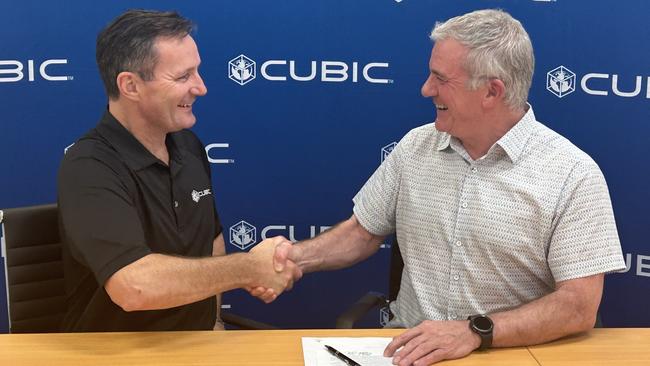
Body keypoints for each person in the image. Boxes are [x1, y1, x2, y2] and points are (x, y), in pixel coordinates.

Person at [260, 8, 626, 366]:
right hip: (406, 353)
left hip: (508, 354)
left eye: (440, 79)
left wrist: (474, 332)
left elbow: (578, 306)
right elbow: (361, 233)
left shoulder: (572, 174)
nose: (425, 89)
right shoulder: (416, 147)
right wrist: (292, 260)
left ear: (491, 92)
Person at [57, 9, 300, 332]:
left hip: (197, 347)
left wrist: (213, 321)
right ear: (130, 85)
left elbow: (211, 241)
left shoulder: (188, 146)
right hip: (118, 354)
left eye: (197, 72)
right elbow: (134, 286)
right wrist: (248, 268)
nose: (201, 88)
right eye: (183, 76)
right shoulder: (89, 167)